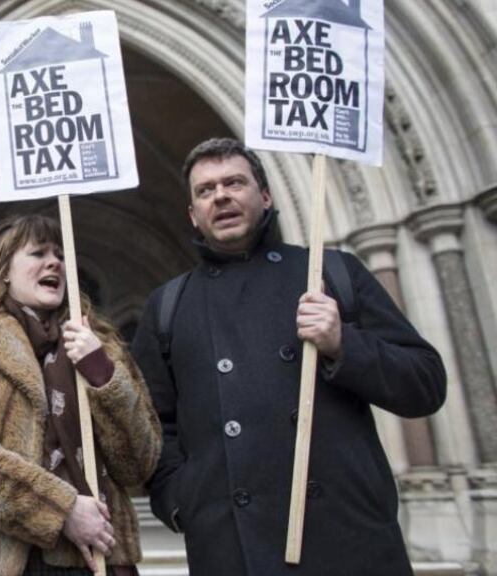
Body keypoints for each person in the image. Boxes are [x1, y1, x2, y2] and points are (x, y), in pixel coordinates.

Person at [131, 138, 446, 576]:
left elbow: (426, 385)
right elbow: (150, 428)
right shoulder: (168, 305)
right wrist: (183, 502)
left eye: (234, 182)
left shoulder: (332, 273)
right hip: (233, 548)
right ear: (193, 215)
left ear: (264, 195)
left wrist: (343, 343)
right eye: (205, 190)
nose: (220, 195)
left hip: (348, 540)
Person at [0, 213, 162, 576]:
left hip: (94, 560)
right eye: (37, 253)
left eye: (60, 254)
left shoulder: (102, 347)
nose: (54, 262)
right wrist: (61, 510)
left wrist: (102, 375)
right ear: (3, 270)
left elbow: (137, 466)